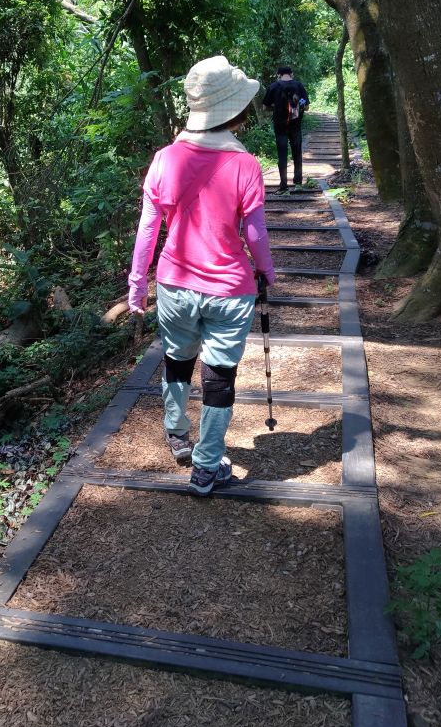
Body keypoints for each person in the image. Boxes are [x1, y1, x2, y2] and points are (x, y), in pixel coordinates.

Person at [127, 55, 275, 496]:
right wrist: (265, 271)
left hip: (174, 285)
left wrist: (138, 285)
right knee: (219, 377)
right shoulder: (245, 165)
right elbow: (256, 233)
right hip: (230, 289)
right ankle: (208, 466)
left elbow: (148, 229)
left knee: (177, 360)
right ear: (234, 109)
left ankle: (177, 432)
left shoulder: (164, 160)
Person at [262, 65, 310, 193]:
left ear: (278, 75)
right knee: (297, 153)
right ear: (291, 74)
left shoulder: (273, 87)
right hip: (296, 125)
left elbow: (265, 108)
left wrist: (276, 107)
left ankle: (284, 187)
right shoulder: (299, 86)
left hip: (280, 126)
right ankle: (298, 183)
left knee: (282, 155)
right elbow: (306, 107)